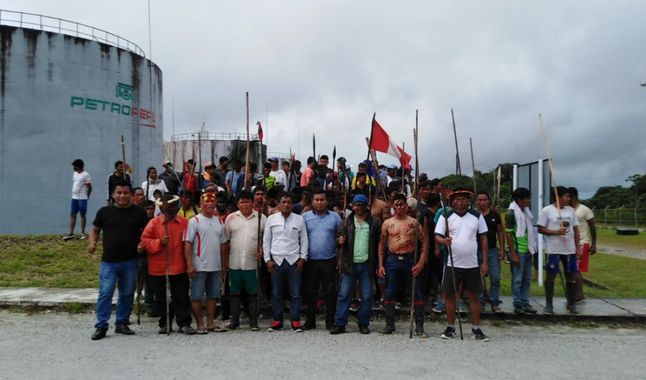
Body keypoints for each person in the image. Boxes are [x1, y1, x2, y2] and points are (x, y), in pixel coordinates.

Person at [88, 180, 148, 340]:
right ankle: (101, 325)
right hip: (109, 262)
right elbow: (94, 230)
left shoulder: (139, 213)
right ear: (113, 195)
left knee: (127, 293)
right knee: (106, 292)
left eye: (126, 193)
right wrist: (92, 242)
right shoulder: (104, 212)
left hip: (130, 261)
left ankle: (121, 323)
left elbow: (147, 233)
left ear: (131, 195)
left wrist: (143, 244)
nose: (122, 196)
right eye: (119, 193)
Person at [435, 188, 490, 342]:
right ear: (452, 202)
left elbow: (483, 238)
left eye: (463, 199)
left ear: (468, 201)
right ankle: (450, 327)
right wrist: (443, 241)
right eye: (457, 199)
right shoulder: (446, 215)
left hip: (472, 264)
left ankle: (476, 328)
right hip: (452, 263)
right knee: (450, 296)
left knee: (474, 296)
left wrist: (485, 261)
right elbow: (437, 235)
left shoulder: (477, 216)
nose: (460, 202)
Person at [140, 194, 197, 335]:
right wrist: (159, 242)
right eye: (168, 207)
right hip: (159, 268)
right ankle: (165, 322)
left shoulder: (184, 223)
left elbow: (190, 244)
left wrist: (190, 264)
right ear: (162, 208)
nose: (171, 210)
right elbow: (145, 242)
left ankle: (184, 323)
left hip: (179, 267)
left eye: (174, 207)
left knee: (182, 296)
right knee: (161, 298)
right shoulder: (153, 223)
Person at [377, 193, 428, 336]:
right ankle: (389, 325)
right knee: (390, 292)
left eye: (402, 204)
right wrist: (381, 265)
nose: (399, 208)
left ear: (407, 206)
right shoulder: (387, 223)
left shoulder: (414, 222)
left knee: (416, 292)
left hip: (410, 260)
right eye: (397, 205)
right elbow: (381, 245)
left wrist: (421, 262)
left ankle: (419, 327)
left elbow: (424, 244)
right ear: (393, 206)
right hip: (392, 260)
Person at [331, 194, 381, 335]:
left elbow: (379, 244)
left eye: (362, 204)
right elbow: (337, 239)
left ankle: (363, 323)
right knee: (344, 295)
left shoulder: (375, 222)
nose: (359, 207)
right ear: (352, 206)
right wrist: (339, 240)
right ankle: (340, 323)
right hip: (349, 263)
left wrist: (378, 264)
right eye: (356, 204)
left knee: (366, 296)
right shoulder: (346, 221)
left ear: (367, 206)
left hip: (367, 264)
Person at [263, 192, 309, 332]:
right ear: (278, 203)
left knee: (295, 293)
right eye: (283, 202)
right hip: (276, 260)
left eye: (289, 202)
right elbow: (266, 240)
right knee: (277, 293)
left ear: (292, 204)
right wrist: (267, 259)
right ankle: (277, 320)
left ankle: (295, 320)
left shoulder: (299, 219)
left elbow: (304, 240)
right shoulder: (271, 219)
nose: (286, 205)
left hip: (293, 260)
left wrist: (303, 258)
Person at [183, 192, 228, 334]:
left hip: (215, 265)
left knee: (213, 295)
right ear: (201, 204)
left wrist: (224, 263)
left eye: (212, 201)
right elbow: (188, 243)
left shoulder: (219, 221)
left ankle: (210, 322)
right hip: (199, 264)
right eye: (206, 201)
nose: (209, 204)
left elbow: (223, 244)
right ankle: (199, 323)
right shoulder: (194, 221)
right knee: (196, 295)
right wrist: (190, 264)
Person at [224, 190, 267, 330]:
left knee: (253, 293)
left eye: (247, 201)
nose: (245, 204)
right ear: (238, 204)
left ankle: (253, 322)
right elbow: (226, 241)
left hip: (252, 262)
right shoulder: (230, 218)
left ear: (252, 202)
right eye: (242, 202)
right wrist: (224, 261)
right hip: (234, 262)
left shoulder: (262, 218)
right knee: (234, 292)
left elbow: (266, 240)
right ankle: (234, 321)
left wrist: (262, 250)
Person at [302, 189, 342, 330]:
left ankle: (329, 321)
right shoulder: (305, 217)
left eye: (322, 200)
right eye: (316, 200)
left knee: (330, 293)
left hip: (329, 260)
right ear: (312, 202)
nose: (319, 202)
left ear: (327, 201)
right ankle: (310, 320)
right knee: (310, 292)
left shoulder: (335, 217)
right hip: (310, 261)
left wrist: (339, 256)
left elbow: (339, 238)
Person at [538, 186, 581, 314]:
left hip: (569, 250)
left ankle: (571, 303)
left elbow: (576, 229)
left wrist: (578, 247)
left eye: (569, 196)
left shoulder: (570, 211)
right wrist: (556, 232)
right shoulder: (547, 211)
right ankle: (549, 305)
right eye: (566, 196)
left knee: (571, 276)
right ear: (558, 197)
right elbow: (540, 228)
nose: (569, 199)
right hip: (554, 249)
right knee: (551, 276)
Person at [505, 187, 537, 315]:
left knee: (527, 279)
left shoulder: (526, 212)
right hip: (519, 250)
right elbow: (508, 234)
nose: (530, 201)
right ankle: (517, 303)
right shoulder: (511, 213)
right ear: (519, 200)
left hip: (529, 249)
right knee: (517, 279)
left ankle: (525, 301)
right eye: (527, 198)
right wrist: (513, 253)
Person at [476, 191, 506, 314]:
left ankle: (494, 302)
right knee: (479, 278)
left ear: (488, 201)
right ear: (476, 202)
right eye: (480, 200)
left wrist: (502, 249)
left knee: (495, 278)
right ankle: (480, 301)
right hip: (477, 251)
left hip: (493, 250)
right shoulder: (474, 216)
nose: (482, 202)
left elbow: (500, 232)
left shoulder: (495, 215)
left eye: (484, 199)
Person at [569, 187, 596, 302]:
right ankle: (577, 294)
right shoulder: (566, 210)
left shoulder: (584, 210)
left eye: (568, 196)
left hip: (582, 243)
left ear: (574, 197)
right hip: (570, 243)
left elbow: (592, 227)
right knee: (572, 270)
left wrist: (594, 244)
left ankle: (579, 295)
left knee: (576, 270)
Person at [63, 159, 92, 241]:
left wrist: (87, 196)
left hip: (82, 198)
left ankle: (82, 233)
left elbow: (90, 187)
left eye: (74, 166)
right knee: (72, 214)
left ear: (78, 166)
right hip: (74, 197)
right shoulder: (75, 173)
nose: (73, 168)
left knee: (82, 215)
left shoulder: (86, 175)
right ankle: (71, 233)